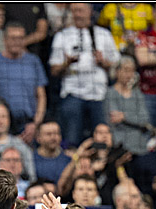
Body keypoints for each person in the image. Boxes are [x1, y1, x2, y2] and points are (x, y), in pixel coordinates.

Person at [49, 3, 120, 147]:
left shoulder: (104, 34)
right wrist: (67, 63)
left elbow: (117, 64)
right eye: (74, 11)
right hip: (73, 92)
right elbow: (54, 70)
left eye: (81, 10)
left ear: (90, 11)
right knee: (71, 139)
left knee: (102, 138)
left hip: (99, 94)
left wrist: (103, 62)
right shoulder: (62, 35)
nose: (77, 14)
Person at [0, 23, 48, 143]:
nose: (17, 42)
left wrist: (36, 123)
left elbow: (41, 95)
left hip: (28, 125)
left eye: (20, 38)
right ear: (4, 40)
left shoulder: (33, 61)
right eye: (13, 38)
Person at [105, 56, 152, 156]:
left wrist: (125, 116)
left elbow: (144, 119)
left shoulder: (137, 93)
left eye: (132, 71)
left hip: (140, 143)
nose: (129, 75)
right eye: (126, 70)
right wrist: (134, 117)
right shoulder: (110, 93)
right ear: (117, 71)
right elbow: (115, 119)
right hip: (120, 144)